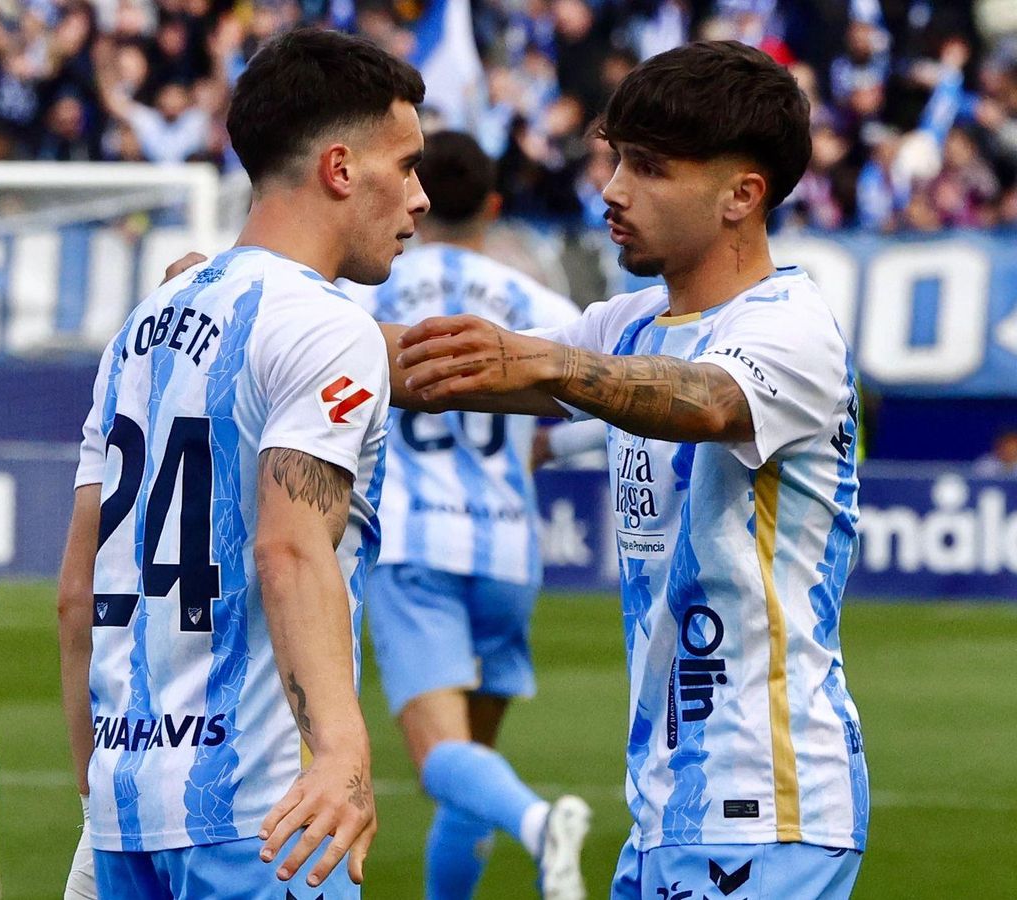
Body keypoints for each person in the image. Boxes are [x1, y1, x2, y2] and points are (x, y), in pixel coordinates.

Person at [394, 41, 870, 899]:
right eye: (615, 160)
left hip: (766, 809)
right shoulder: (632, 322)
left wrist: (546, 365)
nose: (612, 190)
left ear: (742, 195)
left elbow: (706, 402)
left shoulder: (790, 326)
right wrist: (275, 317)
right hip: (665, 810)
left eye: (647, 168)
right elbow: (436, 363)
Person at [56, 28, 429, 900]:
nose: (417, 197)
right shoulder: (328, 327)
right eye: (405, 165)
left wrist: (94, 789)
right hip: (266, 813)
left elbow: (77, 592)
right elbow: (290, 550)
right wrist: (340, 751)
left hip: (126, 814)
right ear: (340, 169)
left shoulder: (137, 333)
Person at [344, 129, 591, 900]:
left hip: (414, 539)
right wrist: (542, 453)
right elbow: (607, 401)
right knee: (466, 775)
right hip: (509, 550)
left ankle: (539, 822)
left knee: (439, 762)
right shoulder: (536, 302)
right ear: (492, 204)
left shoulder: (364, 292)